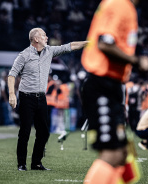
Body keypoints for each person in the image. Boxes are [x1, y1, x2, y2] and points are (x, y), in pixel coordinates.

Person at [81, 0, 148, 183]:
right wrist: (136, 61)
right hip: (101, 85)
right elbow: (105, 43)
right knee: (112, 154)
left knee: (122, 154)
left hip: (112, 86)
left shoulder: (126, 6)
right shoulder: (119, 4)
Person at [8, 27, 88, 171]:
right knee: (25, 132)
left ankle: (36, 163)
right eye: (44, 35)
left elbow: (70, 47)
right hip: (26, 98)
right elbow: (11, 75)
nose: (47, 37)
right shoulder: (24, 55)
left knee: (44, 132)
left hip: (41, 98)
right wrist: (12, 94)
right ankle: (21, 164)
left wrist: (88, 43)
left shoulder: (49, 51)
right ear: (36, 39)